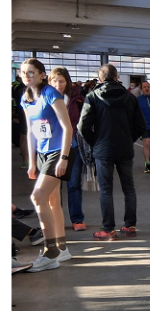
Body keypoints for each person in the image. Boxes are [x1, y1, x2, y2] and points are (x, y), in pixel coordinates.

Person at [18, 59, 75, 272]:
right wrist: (31, 162)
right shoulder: (26, 98)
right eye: (23, 72)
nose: (26, 76)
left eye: (31, 72)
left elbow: (67, 128)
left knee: (38, 196)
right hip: (42, 153)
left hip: (60, 151)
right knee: (52, 199)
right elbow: (31, 131)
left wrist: (64, 158)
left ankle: (50, 252)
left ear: (42, 75)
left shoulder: (51, 93)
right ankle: (61, 248)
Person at [78, 64, 146, 240]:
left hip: (103, 150)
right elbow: (140, 125)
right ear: (117, 77)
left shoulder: (92, 97)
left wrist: (95, 142)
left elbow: (82, 126)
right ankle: (130, 225)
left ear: (100, 79)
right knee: (128, 188)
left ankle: (108, 230)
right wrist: (128, 138)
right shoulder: (130, 98)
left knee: (106, 190)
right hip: (124, 148)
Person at [49, 67, 87, 232]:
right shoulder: (44, 98)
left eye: (62, 81)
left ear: (67, 82)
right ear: (49, 81)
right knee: (53, 187)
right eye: (54, 81)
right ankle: (56, 220)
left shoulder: (77, 99)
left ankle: (77, 218)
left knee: (73, 184)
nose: (58, 84)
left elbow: (83, 121)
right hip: (51, 148)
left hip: (73, 146)